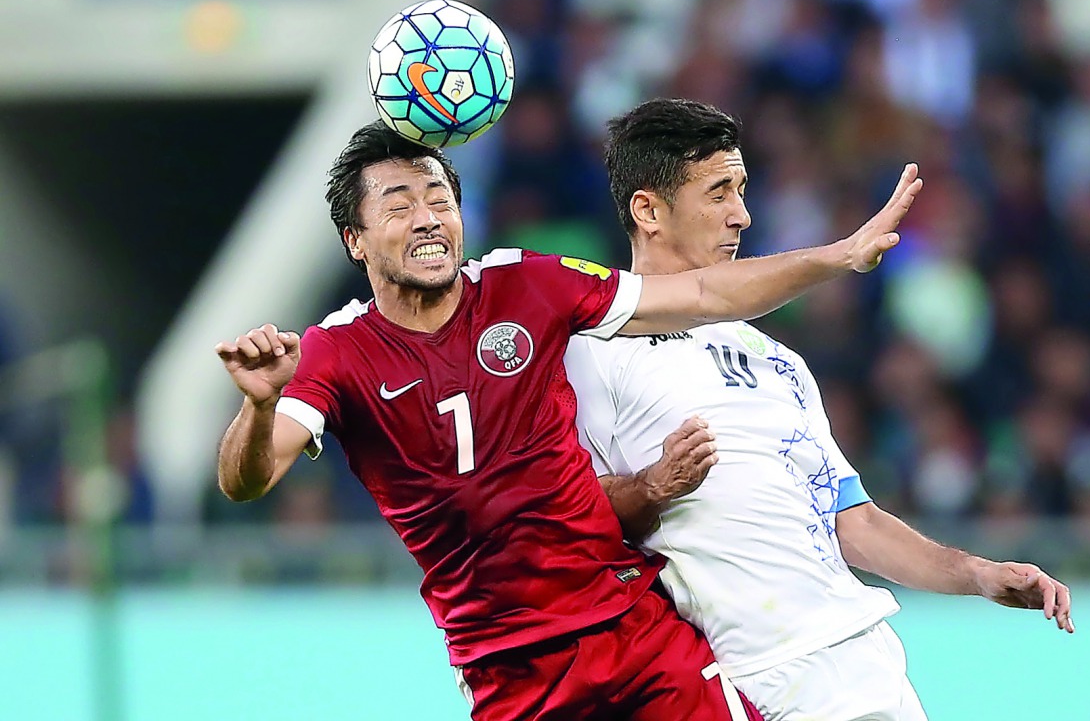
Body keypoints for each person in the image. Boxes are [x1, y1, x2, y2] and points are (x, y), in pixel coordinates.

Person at [214, 120, 921, 721]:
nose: (428, 218)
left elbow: (701, 291)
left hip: (637, 635)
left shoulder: (529, 284)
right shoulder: (335, 351)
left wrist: (837, 257)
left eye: (440, 199)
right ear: (355, 241)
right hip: (508, 671)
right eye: (399, 205)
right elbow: (246, 479)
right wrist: (260, 402)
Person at [564, 98, 1073, 721]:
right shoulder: (588, 353)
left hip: (862, 660)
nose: (742, 216)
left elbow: (851, 521)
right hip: (744, 682)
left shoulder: (773, 357)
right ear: (648, 211)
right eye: (719, 192)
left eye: (743, 190)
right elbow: (566, 522)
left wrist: (977, 574)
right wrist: (651, 485)